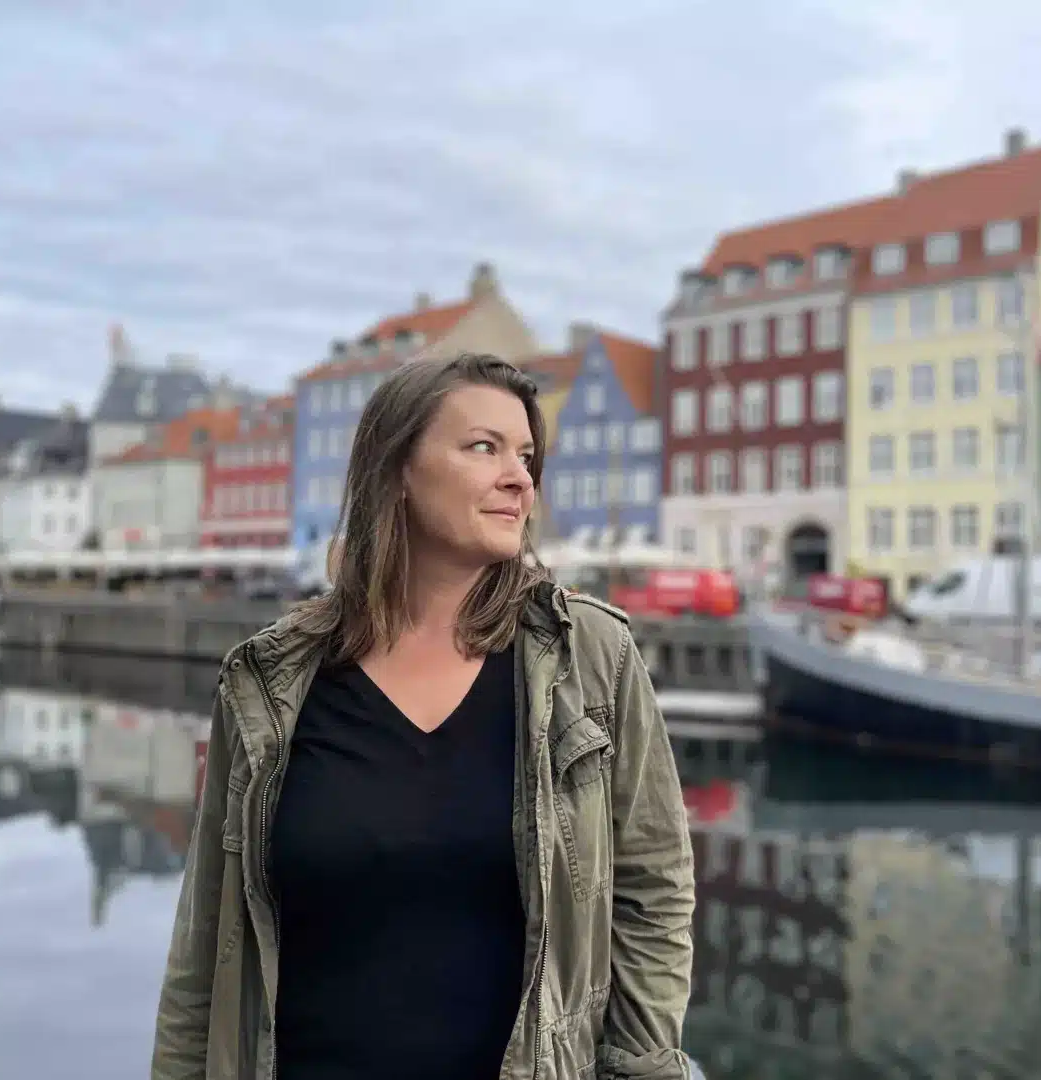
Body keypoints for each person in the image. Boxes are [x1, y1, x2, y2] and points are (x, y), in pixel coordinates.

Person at [151, 353, 696, 1080]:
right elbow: (206, 940)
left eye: (527, 456)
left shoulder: (590, 659)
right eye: (483, 447)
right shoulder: (268, 681)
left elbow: (653, 890)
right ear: (398, 471)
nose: (520, 478)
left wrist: (642, 1067)